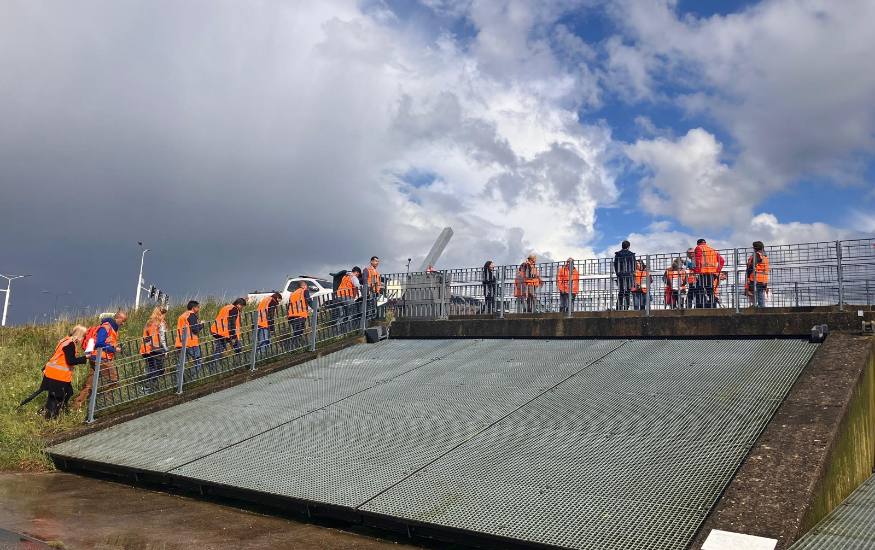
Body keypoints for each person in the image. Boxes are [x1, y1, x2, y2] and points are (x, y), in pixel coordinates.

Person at [40, 325, 88, 419]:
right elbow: (70, 361)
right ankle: (51, 417)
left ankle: (51, 411)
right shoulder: (70, 345)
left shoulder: (65, 340)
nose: (84, 338)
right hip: (58, 376)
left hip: (53, 373)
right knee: (56, 398)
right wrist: (85, 358)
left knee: (68, 392)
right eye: (84, 336)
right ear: (80, 335)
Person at [139, 307, 168, 394]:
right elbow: (162, 338)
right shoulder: (161, 323)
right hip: (156, 349)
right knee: (160, 369)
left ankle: (148, 389)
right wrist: (166, 350)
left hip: (146, 349)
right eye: (164, 314)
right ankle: (147, 387)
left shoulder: (149, 322)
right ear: (161, 314)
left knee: (151, 368)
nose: (165, 316)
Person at [211, 298, 246, 366]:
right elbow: (231, 323)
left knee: (219, 350)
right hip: (226, 333)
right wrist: (233, 337)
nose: (242, 308)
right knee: (238, 347)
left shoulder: (226, 307)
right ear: (239, 304)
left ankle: (213, 366)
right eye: (242, 306)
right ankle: (239, 363)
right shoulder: (234, 310)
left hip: (218, 332)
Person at [694, 238, 725, 308]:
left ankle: (701, 304)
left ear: (698, 244)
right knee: (710, 289)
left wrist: (697, 272)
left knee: (700, 288)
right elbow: (722, 261)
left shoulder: (698, 248)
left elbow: (698, 261)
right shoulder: (712, 250)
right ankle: (712, 304)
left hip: (703, 272)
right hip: (712, 273)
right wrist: (717, 270)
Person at [175, 300, 203, 378]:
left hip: (181, 343)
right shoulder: (192, 315)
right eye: (198, 307)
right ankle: (192, 377)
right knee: (198, 360)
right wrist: (201, 325)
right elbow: (194, 329)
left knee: (181, 364)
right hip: (191, 343)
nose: (198, 309)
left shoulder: (182, 316)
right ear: (194, 308)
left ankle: (178, 381)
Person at [287, 280, 313, 348]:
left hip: (291, 316)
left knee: (296, 331)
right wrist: (316, 308)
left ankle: (296, 346)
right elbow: (309, 300)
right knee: (298, 332)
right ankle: (292, 347)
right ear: (304, 286)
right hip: (300, 314)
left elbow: (289, 306)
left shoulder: (293, 293)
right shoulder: (304, 291)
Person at [256, 292, 282, 356]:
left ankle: (266, 356)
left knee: (267, 341)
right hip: (264, 323)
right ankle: (261, 357)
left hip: (258, 322)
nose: (278, 303)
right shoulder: (272, 302)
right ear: (277, 298)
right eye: (279, 300)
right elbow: (271, 316)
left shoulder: (266, 299)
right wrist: (272, 329)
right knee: (264, 342)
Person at [613, 241, 636, 310]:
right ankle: (626, 307)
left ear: (622, 246)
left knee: (621, 291)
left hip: (620, 275)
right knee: (627, 292)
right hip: (629, 275)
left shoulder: (618, 254)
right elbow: (633, 265)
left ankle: (619, 307)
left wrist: (618, 273)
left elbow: (615, 265)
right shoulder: (631, 254)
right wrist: (632, 273)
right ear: (628, 247)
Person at [746, 241, 770, 307]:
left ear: (755, 248)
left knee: (759, 296)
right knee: (760, 295)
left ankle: (762, 311)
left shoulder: (757, 255)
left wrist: (748, 276)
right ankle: (760, 309)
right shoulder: (764, 256)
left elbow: (751, 266)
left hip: (756, 278)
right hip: (763, 278)